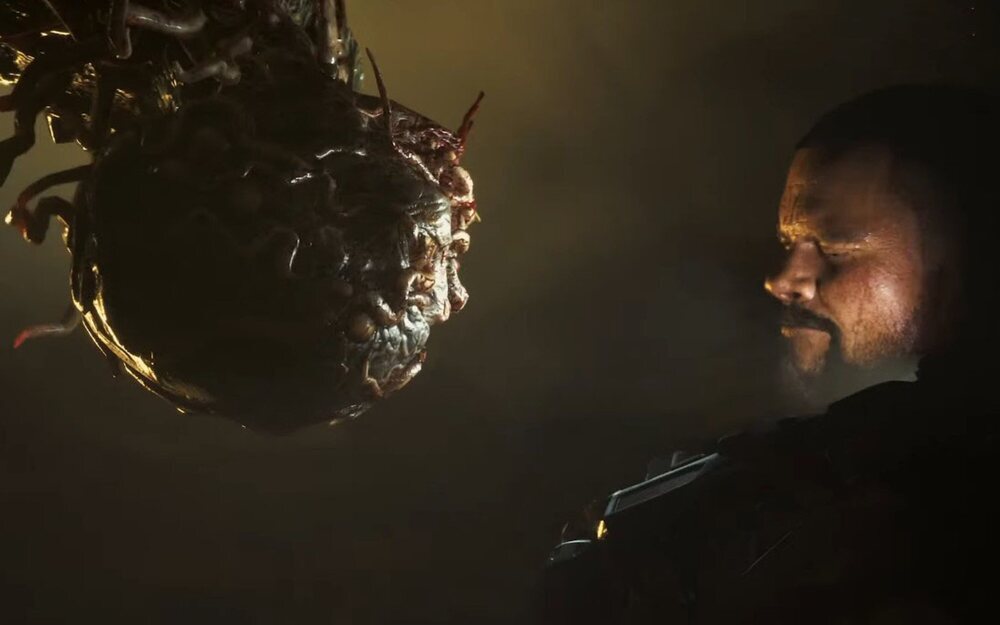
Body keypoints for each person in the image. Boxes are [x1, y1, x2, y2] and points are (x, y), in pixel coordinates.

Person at [540, 84, 1000, 624]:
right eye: (789, 245)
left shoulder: (938, 524)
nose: (784, 280)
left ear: (968, 258)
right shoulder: (777, 477)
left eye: (836, 247)